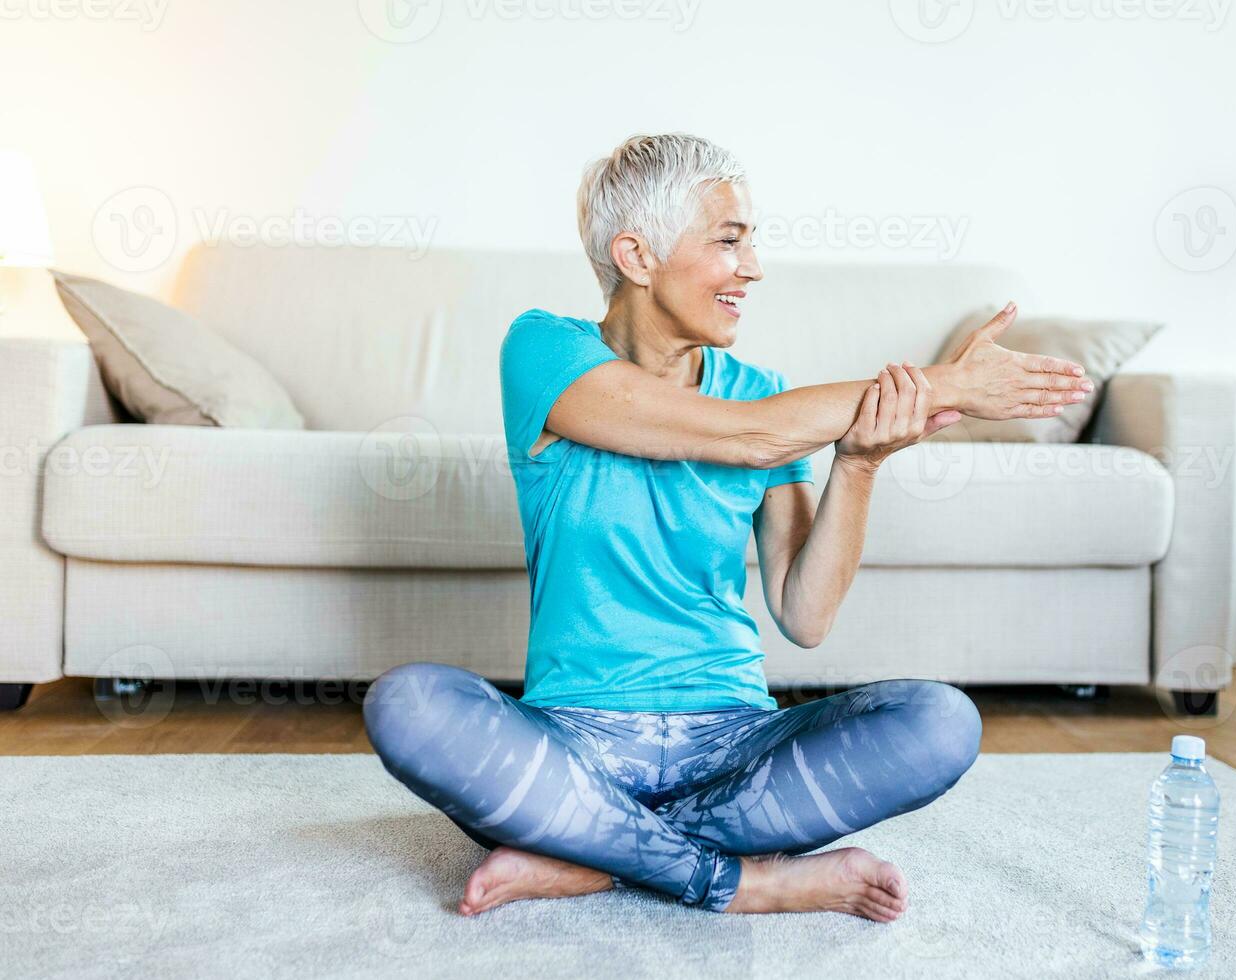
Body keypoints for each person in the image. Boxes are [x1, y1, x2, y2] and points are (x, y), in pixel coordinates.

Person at [363, 133, 1092, 922]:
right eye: (729, 241)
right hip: (576, 741)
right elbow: (747, 435)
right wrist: (951, 384)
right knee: (410, 704)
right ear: (637, 256)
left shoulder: (764, 395)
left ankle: (592, 856)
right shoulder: (545, 350)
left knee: (941, 722)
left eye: (752, 243)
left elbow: (805, 617)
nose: (754, 268)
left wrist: (859, 464)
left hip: (736, 749)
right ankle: (743, 881)